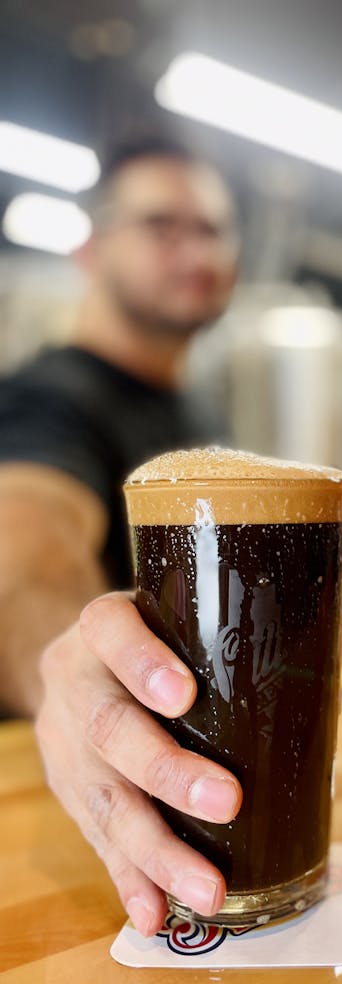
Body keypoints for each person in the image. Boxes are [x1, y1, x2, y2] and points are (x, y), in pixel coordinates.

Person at [0, 138, 245, 935]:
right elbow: (25, 556)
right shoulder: (49, 398)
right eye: (162, 225)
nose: (196, 249)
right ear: (90, 248)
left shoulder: (197, 413)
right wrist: (77, 676)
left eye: (213, 229)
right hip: (70, 826)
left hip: (191, 806)